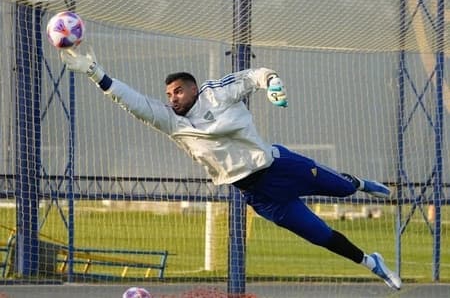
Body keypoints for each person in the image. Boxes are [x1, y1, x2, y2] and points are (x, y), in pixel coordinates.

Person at [60, 48, 402, 290]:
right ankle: (372, 263)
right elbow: (131, 101)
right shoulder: (170, 121)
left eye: (178, 91)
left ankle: (357, 182)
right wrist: (94, 72)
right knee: (321, 236)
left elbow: (256, 75)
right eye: (168, 94)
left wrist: (272, 84)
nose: (172, 98)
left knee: (343, 190)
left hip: (280, 166)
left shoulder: (216, 93)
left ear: (194, 88)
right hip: (259, 195)